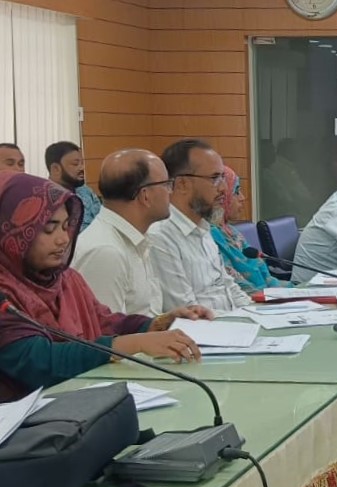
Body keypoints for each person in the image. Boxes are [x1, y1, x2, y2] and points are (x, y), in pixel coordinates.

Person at [0, 172, 210, 401]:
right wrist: (131, 344)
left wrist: (160, 323)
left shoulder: (66, 279)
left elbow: (105, 322)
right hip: (22, 416)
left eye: (66, 227)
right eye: (49, 229)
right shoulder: (5, 292)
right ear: (10, 230)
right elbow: (37, 361)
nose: (63, 239)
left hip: (78, 404)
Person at [149, 139, 253, 312]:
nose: (224, 188)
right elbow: (188, 312)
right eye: (214, 178)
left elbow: (230, 288)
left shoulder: (204, 228)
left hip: (232, 323)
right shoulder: (160, 237)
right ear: (182, 184)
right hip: (208, 327)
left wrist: (257, 315)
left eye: (222, 177)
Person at [71, 150, 172, 317]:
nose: (170, 192)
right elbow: (107, 330)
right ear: (145, 195)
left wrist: (171, 319)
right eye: (166, 184)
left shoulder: (135, 238)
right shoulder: (106, 252)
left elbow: (144, 315)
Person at [210, 166, 293, 293]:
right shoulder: (211, 236)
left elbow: (267, 277)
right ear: (222, 196)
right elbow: (239, 288)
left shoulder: (232, 232)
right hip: (251, 301)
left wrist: (296, 291)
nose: (242, 198)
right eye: (236, 192)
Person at [45, 142, 102, 230]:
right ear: (55, 169)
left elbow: (101, 220)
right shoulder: (44, 200)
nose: (82, 168)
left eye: (82, 163)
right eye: (75, 164)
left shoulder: (85, 191)